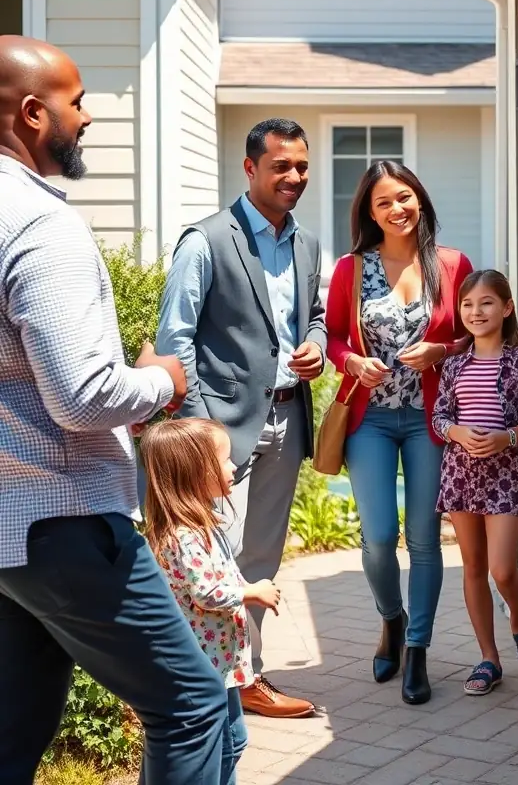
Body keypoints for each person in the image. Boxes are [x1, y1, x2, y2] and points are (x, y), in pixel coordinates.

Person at [0, 35, 229, 784]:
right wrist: (160, 380)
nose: (88, 116)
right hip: (64, 521)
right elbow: (83, 397)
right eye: (76, 101)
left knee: (14, 729)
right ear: (32, 114)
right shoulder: (39, 224)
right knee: (193, 707)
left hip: (9, 536)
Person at [156, 117, 327, 719]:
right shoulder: (205, 241)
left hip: (287, 419)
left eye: (301, 166)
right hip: (222, 429)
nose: (294, 176)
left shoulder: (307, 243)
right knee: (214, 557)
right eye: (280, 166)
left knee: (260, 558)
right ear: (250, 168)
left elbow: (314, 317)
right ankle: (198, 687)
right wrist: (205, 435)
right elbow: (174, 341)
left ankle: (245, 678)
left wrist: (316, 346)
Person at [326, 161, 472, 705]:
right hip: (371, 420)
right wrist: (351, 362)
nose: (397, 209)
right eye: (383, 202)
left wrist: (441, 350)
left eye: (404, 197)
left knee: (425, 538)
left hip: (430, 420)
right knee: (380, 535)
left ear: (420, 200)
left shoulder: (452, 264)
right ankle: (392, 618)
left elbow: (476, 334)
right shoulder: (351, 269)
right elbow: (334, 335)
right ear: (370, 212)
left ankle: (417, 649)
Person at [141, 419, 282, 785]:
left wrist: (245, 586)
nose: (234, 466)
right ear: (194, 472)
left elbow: (220, 576)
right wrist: (251, 592)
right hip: (206, 665)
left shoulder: (204, 526)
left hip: (220, 664)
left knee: (232, 741)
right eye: (224, 460)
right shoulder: (184, 537)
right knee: (221, 746)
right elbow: (205, 591)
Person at [432, 269, 518, 696]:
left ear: (507, 307)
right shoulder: (455, 363)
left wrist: (507, 438)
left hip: (504, 476)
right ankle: (488, 658)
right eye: (467, 304)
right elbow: (440, 417)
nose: (476, 312)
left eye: (486, 303)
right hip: (460, 474)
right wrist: (457, 432)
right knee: (474, 567)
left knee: (502, 569)